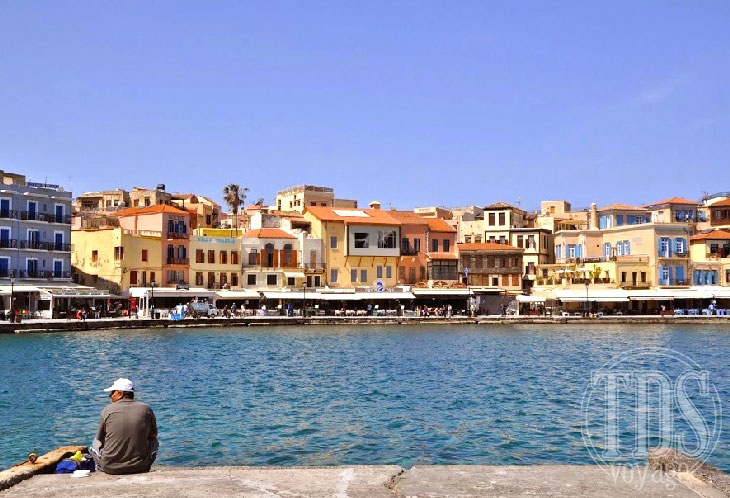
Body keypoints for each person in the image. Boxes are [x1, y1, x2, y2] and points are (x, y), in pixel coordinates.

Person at [91, 378, 158, 475]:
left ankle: (102, 467)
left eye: (112, 393)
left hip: (110, 468)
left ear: (119, 393)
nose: (110, 396)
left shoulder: (107, 410)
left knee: (95, 442)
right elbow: (153, 435)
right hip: (141, 466)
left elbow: (100, 439)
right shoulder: (146, 408)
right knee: (154, 441)